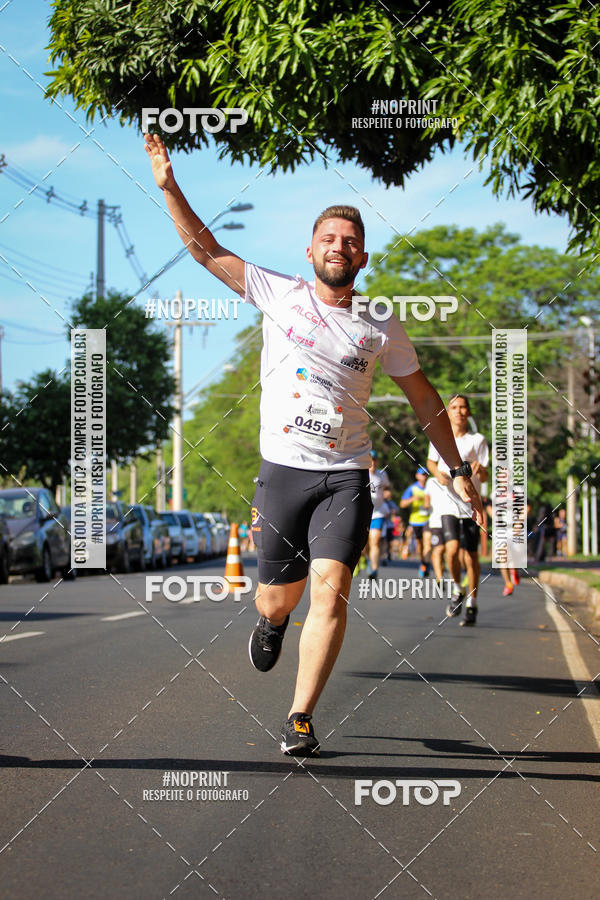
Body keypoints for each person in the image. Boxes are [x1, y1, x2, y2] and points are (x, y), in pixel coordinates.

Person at [145, 133, 484, 755]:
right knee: (279, 597)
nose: (339, 247)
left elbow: (426, 401)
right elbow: (205, 250)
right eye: (329, 238)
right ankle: (270, 622)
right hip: (283, 472)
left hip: (346, 476)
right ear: (310, 251)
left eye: (350, 241)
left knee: (331, 586)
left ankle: (300, 717)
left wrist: (458, 467)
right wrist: (170, 186)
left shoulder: (381, 323)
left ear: (362, 257)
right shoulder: (280, 293)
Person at [427, 395, 488, 627]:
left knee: (471, 557)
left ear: (469, 413)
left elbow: (485, 475)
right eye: (454, 407)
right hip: (447, 501)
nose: (459, 411)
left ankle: (472, 602)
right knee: (451, 551)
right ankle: (458, 588)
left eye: (463, 407)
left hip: (471, 503)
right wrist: (437, 473)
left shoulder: (478, 440)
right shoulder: (440, 436)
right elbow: (432, 462)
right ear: (448, 412)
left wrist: (479, 469)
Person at [400, 468, 431, 577]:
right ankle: (423, 562)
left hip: (429, 520)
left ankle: (426, 564)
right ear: (417, 476)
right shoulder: (412, 489)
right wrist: (412, 499)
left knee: (428, 543)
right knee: (420, 545)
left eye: (426, 475)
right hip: (416, 521)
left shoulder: (431, 487)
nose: (424, 477)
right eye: (422, 474)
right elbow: (402, 504)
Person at [366, 450, 391, 578]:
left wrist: (387, 493)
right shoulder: (361, 474)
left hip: (378, 512)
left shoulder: (382, 474)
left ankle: (374, 569)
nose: (373, 462)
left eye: (375, 459)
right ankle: (365, 559)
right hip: (364, 512)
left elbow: (387, 488)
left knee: (375, 541)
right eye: (370, 459)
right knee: (364, 544)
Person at [424, 474, 446, 583]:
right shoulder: (431, 481)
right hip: (436, 521)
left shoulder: (454, 478)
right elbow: (426, 496)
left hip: (453, 519)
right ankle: (439, 578)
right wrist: (427, 503)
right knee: (438, 549)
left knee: (451, 551)